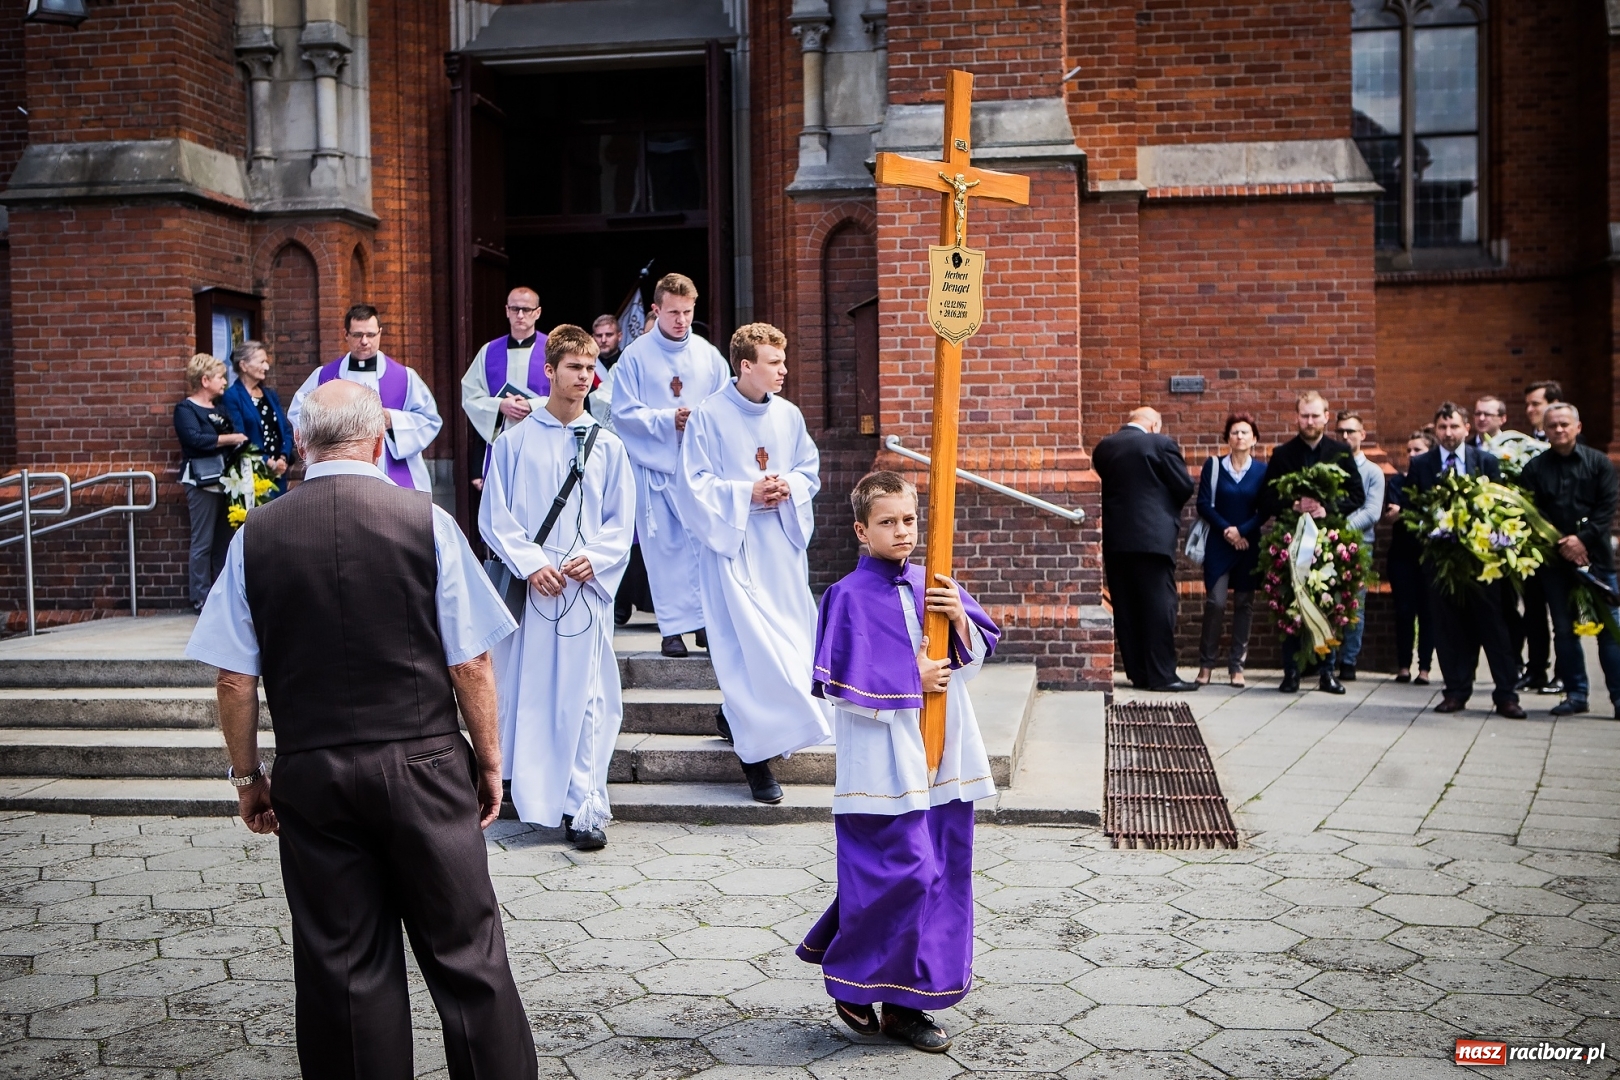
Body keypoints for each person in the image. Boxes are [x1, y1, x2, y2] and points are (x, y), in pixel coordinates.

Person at [184, 379, 536, 1079]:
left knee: (342, 968)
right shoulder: (425, 521)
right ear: (379, 441)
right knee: (469, 957)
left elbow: (232, 679)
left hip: (315, 772)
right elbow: (471, 662)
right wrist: (489, 761)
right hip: (426, 766)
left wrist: (249, 776)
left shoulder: (258, 536)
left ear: (304, 445)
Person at [797, 471, 1000, 1054]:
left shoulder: (932, 583)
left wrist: (958, 617)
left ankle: (908, 1008)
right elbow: (837, 686)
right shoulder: (846, 596)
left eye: (909, 519)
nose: (902, 531)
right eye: (887, 522)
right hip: (882, 767)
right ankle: (856, 980)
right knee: (900, 874)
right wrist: (913, 678)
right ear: (862, 530)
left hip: (942, 758)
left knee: (939, 877)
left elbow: (977, 654)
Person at [480, 325, 636, 850]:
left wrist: (595, 558)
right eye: (575, 368)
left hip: (583, 588)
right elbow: (493, 515)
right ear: (549, 371)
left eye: (591, 369)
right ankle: (530, 794)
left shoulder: (609, 447)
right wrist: (529, 564)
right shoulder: (516, 442)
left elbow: (621, 521)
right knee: (529, 692)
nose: (585, 378)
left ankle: (585, 805)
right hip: (536, 585)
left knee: (588, 698)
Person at [676, 323, 832, 804]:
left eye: (783, 362)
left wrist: (790, 486)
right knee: (746, 653)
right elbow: (693, 484)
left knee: (788, 648)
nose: (784, 371)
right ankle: (755, 762)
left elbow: (809, 468)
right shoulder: (708, 416)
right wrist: (747, 492)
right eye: (774, 363)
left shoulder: (788, 416)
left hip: (780, 551)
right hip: (733, 549)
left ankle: (734, 718)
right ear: (746, 365)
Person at [609, 272, 731, 658]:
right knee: (665, 552)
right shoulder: (635, 356)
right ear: (656, 309)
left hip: (698, 470)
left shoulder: (707, 355)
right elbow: (622, 412)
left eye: (688, 312)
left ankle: (706, 626)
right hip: (655, 469)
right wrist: (668, 419)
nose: (681, 320)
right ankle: (673, 630)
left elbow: (724, 405)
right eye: (674, 312)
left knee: (702, 547)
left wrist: (699, 421)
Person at [1404, 402, 1525, 718]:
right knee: (1448, 628)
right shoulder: (1422, 465)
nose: (1448, 433)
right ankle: (1455, 691)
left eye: (1454, 427)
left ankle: (1506, 695)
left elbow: (1501, 507)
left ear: (1467, 429)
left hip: (1483, 562)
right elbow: (1413, 511)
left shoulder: (1485, 462)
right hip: (1441, 561)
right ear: (1435, 430)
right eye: (1442, 428)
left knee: (1494, 628)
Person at [1258, 391, 1366, 695]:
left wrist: (1327, 508)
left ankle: (1327, 672)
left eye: (1315, 415)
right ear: (1296, 417)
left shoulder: (1341, 452)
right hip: (1291, 540)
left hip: (1329, 540)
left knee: (1330, 606)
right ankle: (1291, 672)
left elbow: (1357, 495)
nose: (1310, 421)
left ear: (1326, 417)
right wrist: (1292, 504)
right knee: (1289, 606)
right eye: (1305, 415)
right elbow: (1265, 498)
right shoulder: (1282, 454)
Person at [1517, 403, 1620, 719]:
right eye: (1553, 426)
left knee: (1610, 629)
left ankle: (1618, 697)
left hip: (1598, 560)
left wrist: (1581, 539)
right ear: (1544, 431)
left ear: (1577, 426)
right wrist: (1564, 544)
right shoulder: (1534, 468)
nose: (1559, 430)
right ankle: (1576, 694)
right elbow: (1530, 512)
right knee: (1564, 629)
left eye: (1564, 424)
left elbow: (1607, 508)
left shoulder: (1599, 463)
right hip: (1556, 564)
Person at [1092, 407, 1199, 692]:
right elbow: (1184, 486)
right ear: (1153, 424)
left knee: (1126, 607)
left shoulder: (1104, 448)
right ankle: (1163, 675)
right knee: (1158, 607)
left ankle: (1138, 673)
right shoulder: (1160, 443)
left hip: (1116, 539)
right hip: (1153, 540)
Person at [289, 303, 443, 493]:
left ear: (380, 333)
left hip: (393, 471)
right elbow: (298, 413)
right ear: (346, 334)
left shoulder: (405, 377)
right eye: (357, 335)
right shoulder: (324, 376)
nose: (364, 341)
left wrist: (392, 420)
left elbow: (430, 420)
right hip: (339, 468)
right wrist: (330, 426)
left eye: (370, 335)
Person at [1195, 413, 1266, 688]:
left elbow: (1264, 509)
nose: (1240, 437)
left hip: (1248, 545)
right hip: (1219, 544)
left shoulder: (1262, 471)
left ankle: (1237, 666)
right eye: (1235, 432)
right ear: (1227, 438)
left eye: (1245, 432)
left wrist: (1243, 531)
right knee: (1216, 602)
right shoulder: (1213, 466)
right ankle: (1206, 664)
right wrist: (1229, 531)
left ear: (1254, 439)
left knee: (1244, 604)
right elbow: (1204, 504)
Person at [175, 353, 249, 611]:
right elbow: (194, 440)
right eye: (219, 377)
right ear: (204, 380)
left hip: (226, 482)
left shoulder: (220, 410)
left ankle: (221, 595)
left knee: (224, 541)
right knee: (203, 540)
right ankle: (200, 597)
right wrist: (229, 439)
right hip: (201, 482)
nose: (224, 382)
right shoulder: (186, 409)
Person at [460, 287, 549, 480]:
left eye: (526, 309)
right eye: (515, 309)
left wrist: (532, 405)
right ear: (507, 311)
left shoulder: (553, 350)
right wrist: (499, 405)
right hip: (501, 441)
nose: (520, 315)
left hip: (545, 442)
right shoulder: (489, 351)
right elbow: (470, 395)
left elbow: (569, 394)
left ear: (538, 313)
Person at [1333, 410, 1385, 682]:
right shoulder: (1330, 467)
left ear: (1362, 435)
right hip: (1326, 545)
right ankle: (1324, 658)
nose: (1345, 436)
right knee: (1326, 600)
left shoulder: (1373, 472)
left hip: (1359, 545)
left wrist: (1338, 530)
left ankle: (1349, 660)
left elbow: (1372, 512)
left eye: (1351, 431)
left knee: (1354, 603)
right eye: (1340, 431)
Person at [1382, 430, 1436, 684]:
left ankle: (1424, 668)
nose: (1412, 455)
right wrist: (1409, 511)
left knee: (1428, 612)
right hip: (1402, 554)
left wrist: (1405, 510)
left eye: (1419, 450)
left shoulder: (1436, 481)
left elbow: (1430, 513)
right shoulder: (1397, 482)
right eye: (1409, 450)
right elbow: (1392, 514)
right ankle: (1403, 666)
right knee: (1403, 611)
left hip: (1428, 555)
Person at [220, 340, 293, 495]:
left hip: (278, 473)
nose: (266, 367)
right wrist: (268, 462)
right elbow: (240, 437)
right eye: (261, 362)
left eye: (266, 362)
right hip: (252, 474)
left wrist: (283, 458)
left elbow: (285, 430)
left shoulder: (270, 395)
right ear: (244, 365)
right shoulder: (232, 397)